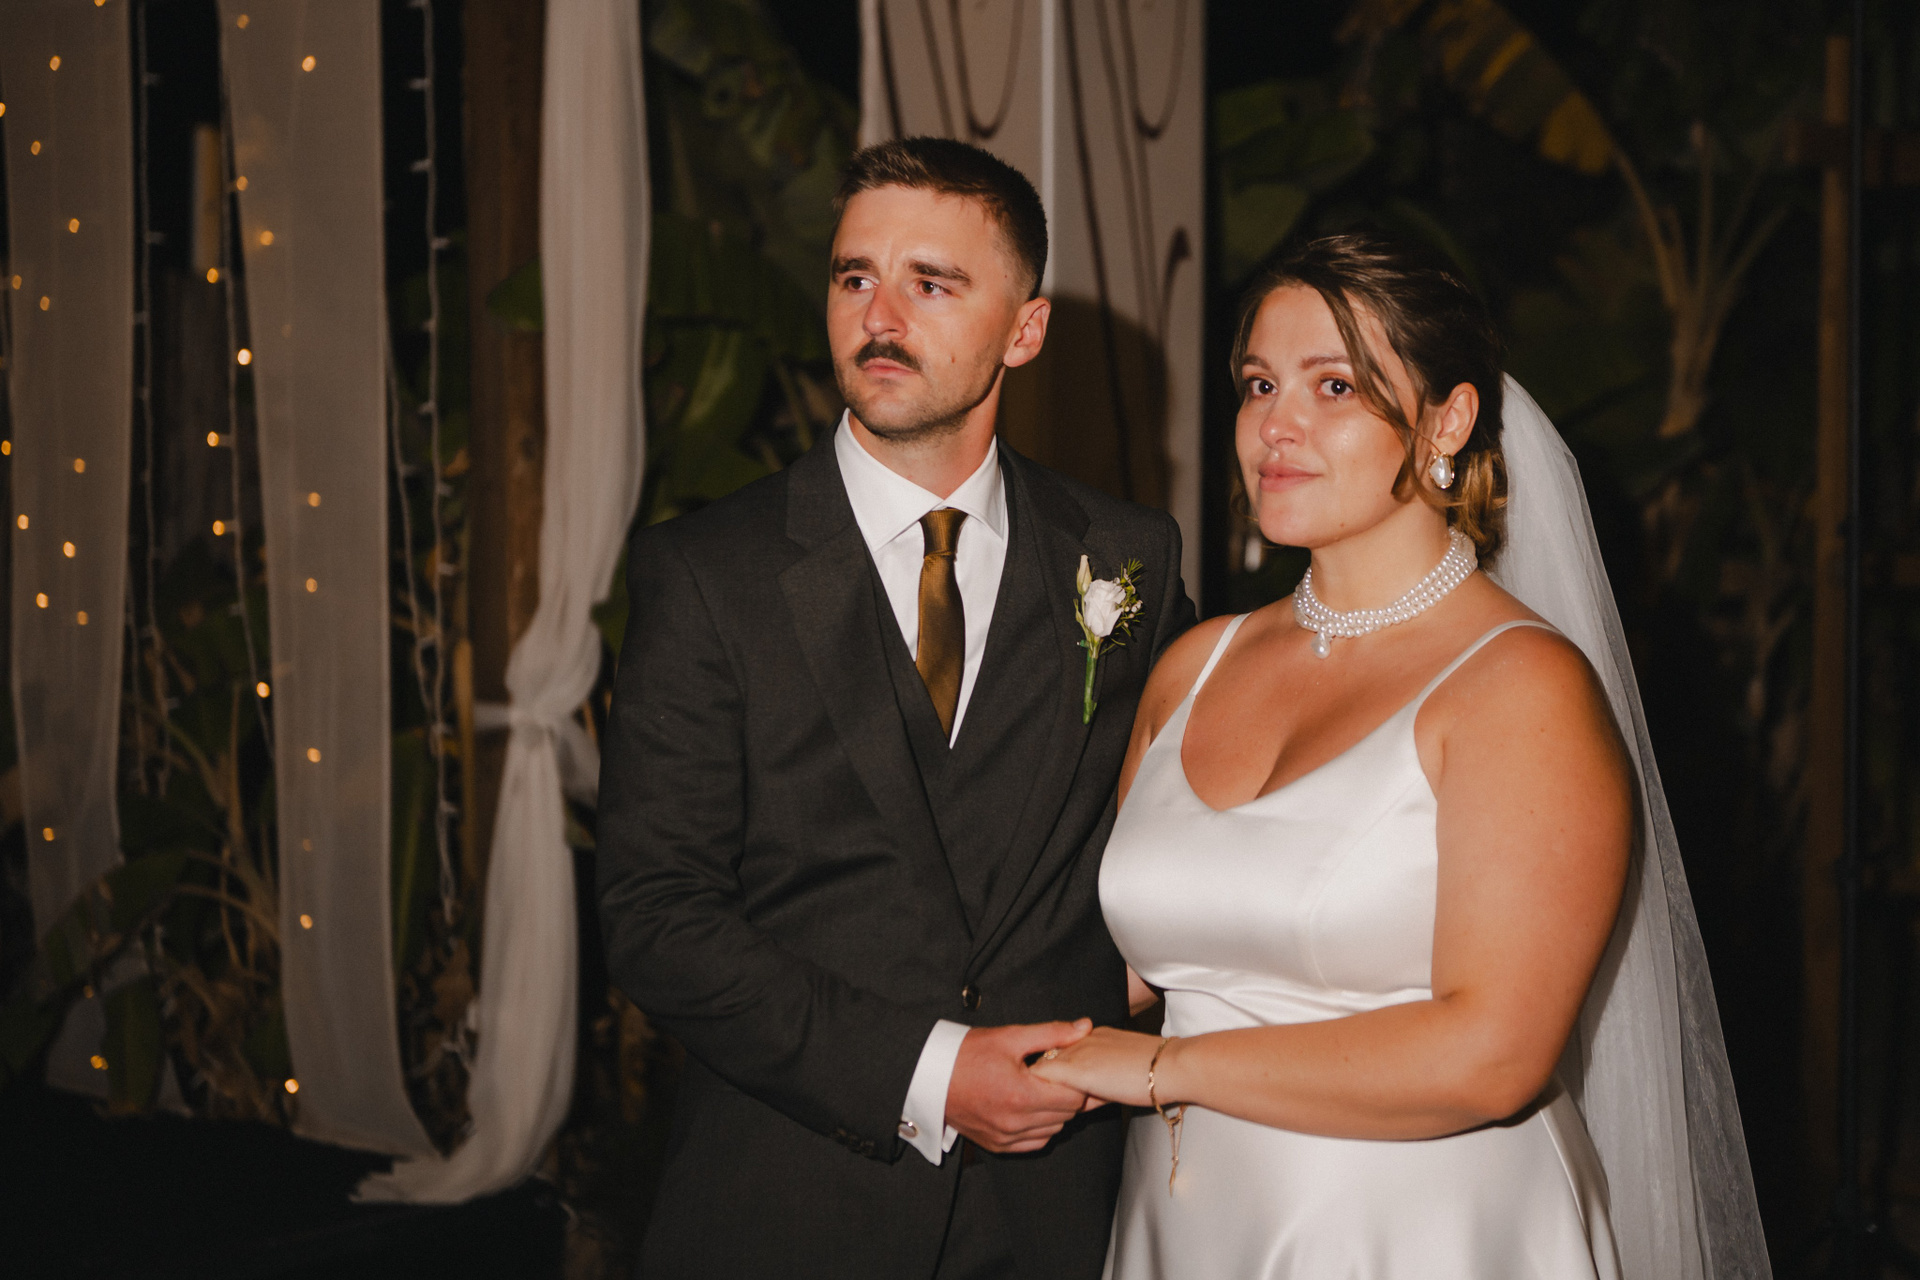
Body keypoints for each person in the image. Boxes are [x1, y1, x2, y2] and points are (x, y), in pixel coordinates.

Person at [1033, 230, 1769, 1279]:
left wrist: (1163, 1069)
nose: (1275, 424)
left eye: (1333, 385)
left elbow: (1493, 1055)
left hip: (1421, 1232)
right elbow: (1123, 968)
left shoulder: (1520, 687)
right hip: (1182, 1229)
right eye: (1259, 384)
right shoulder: (1193, 665)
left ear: (1447, 420)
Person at [596, 136, 1195, 1278]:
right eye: (854, 276)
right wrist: (930, 1072)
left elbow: (1197, 815)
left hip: (1053, 1220)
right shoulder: (709, 572)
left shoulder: (1128, 560)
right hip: (786, 1214)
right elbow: (656, 915)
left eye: (932, 283)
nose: (879, 315)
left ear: (1025, 330)